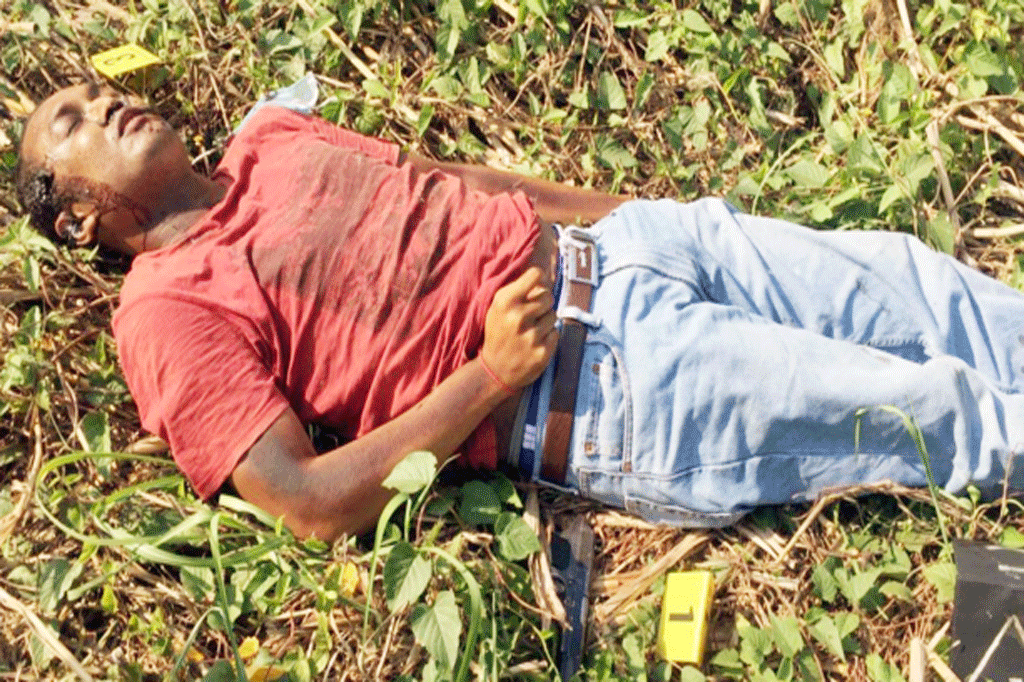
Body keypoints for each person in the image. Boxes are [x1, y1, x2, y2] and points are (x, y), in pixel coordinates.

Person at [16, 82, 1024, 542]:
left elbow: (450, 179)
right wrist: (487, 376)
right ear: (74, 221)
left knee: (921, 283)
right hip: (604, 386)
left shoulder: (271, 137)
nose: (103, 102)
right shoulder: (165, 310)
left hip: (644, 249)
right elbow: (303, 500)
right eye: (72, 122)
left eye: (97, 90)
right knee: (936, 410)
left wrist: (637, 215)